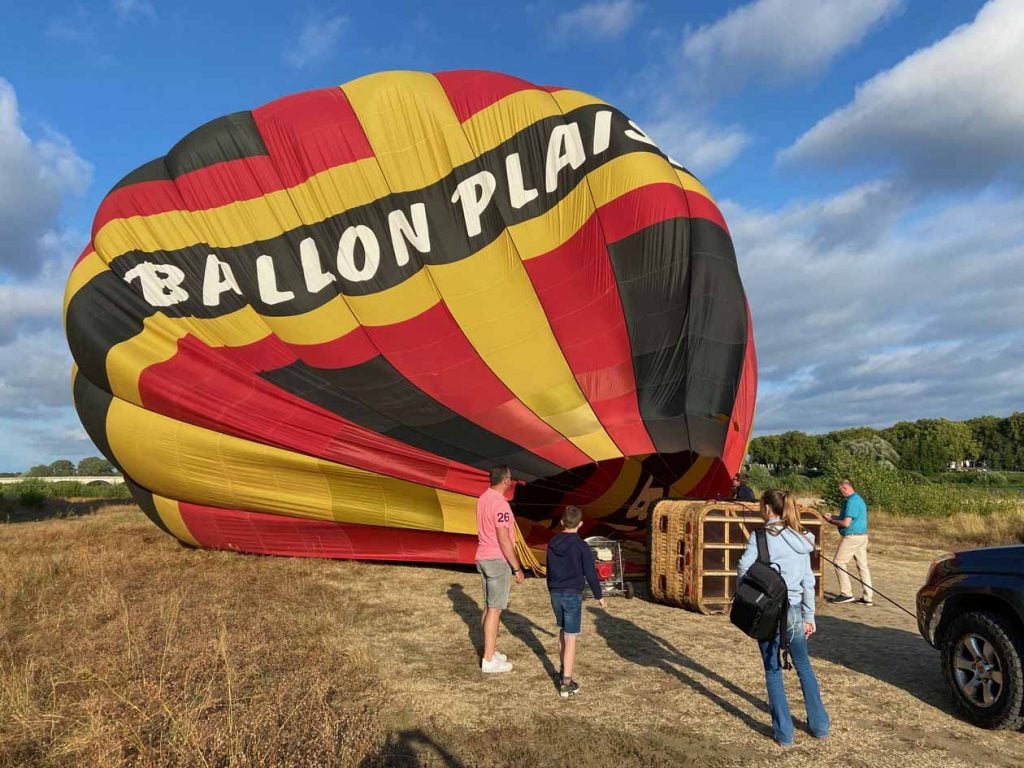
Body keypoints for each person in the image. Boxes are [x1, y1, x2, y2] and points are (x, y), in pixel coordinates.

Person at [737, 490, 830, 748]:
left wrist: (746, 595)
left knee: (773, 669)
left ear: (767, 508)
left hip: (767, 610)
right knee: (803, 665)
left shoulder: (760, 537)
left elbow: (744, 569)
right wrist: (809, 616)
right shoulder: (802, 540)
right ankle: (820, 726)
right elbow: (808, 581)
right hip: (795, 610)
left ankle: (784, 733)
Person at [545, 505, 606, 697]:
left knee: (563, 631)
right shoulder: (581, 546)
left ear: (562, 522)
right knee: (571, 638)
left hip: (555, 592)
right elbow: (590, 573)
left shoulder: (552, 543)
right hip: (572, 594)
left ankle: (563, 669)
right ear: (580, 524)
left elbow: (549, 570)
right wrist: (599, 596)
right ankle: (566, 682)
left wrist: (551, 589)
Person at [475, 465, 525, 673]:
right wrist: (517, 567)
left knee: (488, 606)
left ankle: (490, 650)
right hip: (497, 560)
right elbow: (504, 539)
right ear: (506, 481)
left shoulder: (483, 499)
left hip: (483, 556)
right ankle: (488, 659)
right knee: (495, 610)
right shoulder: (501, 505)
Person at [823, 479, 873, 605]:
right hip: (862, 536)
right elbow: (846, 519)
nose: (841, 493)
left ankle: (846, 593)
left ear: (845, 488)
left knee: (839, 562)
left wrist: (831, 521)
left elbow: (846, 523)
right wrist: (833, 517)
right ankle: (868, 596)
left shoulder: (852, 501)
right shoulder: (858, 499)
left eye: (841, 491)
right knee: (862, 566)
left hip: (852, 537)